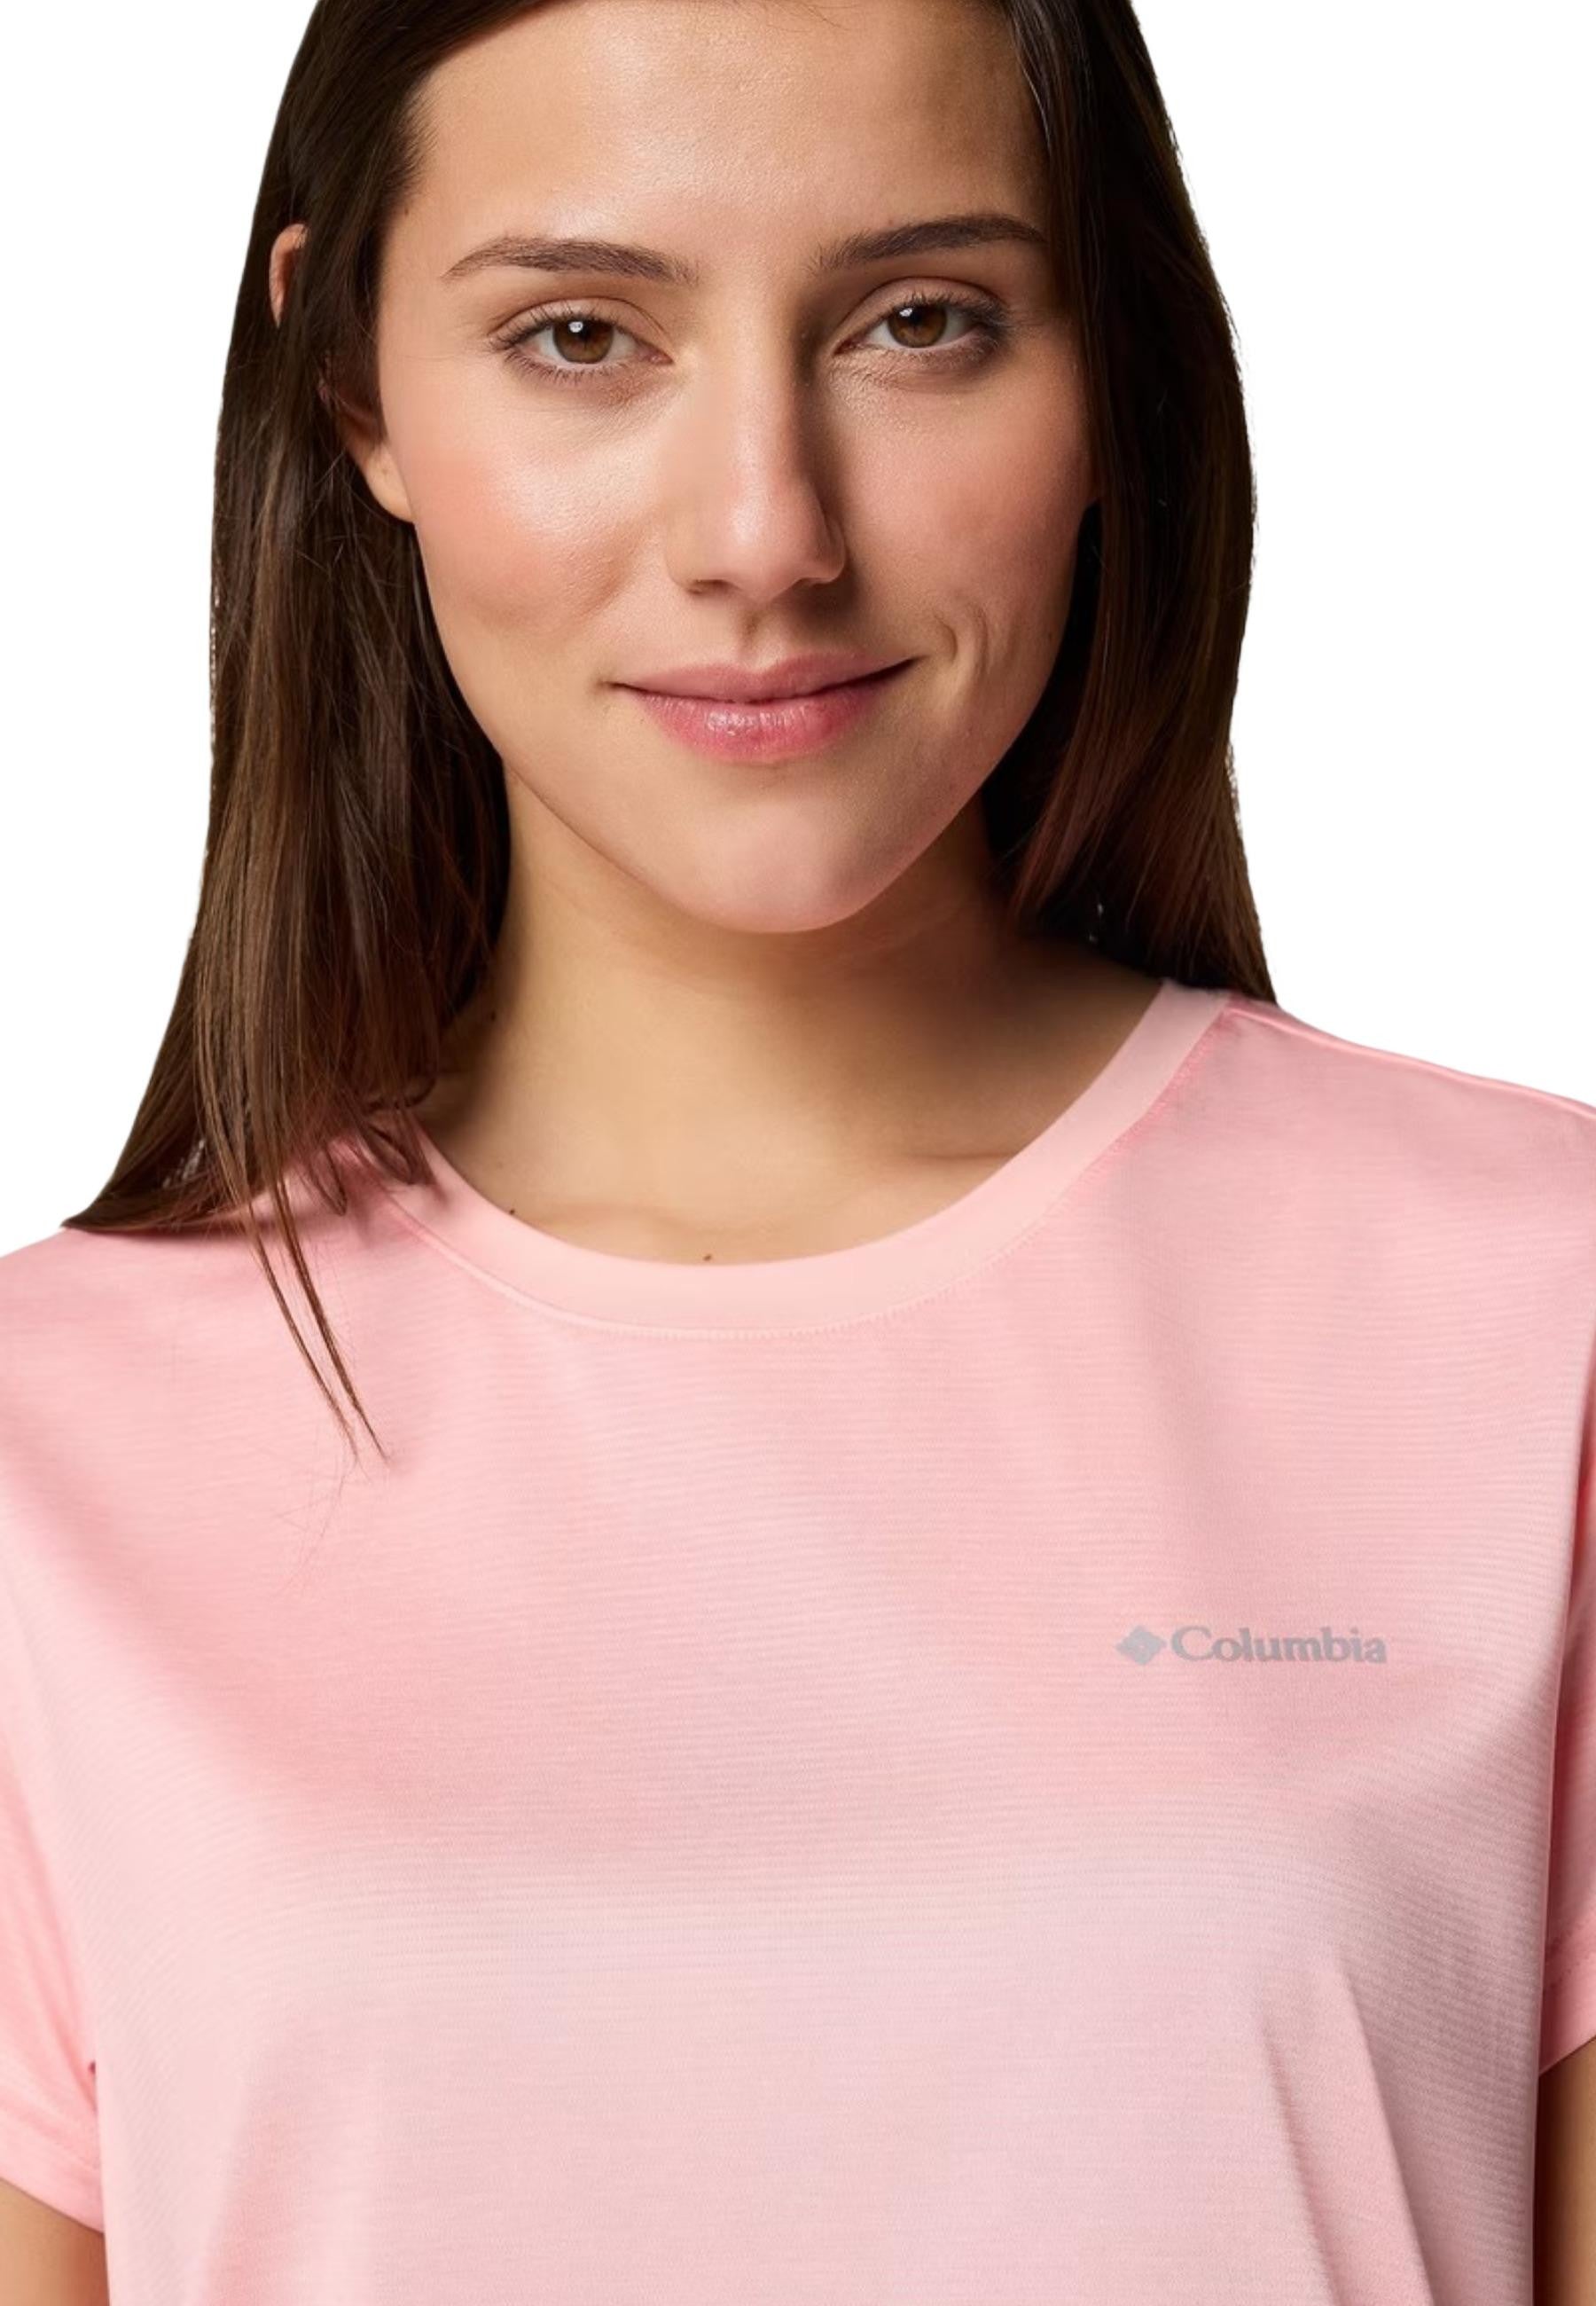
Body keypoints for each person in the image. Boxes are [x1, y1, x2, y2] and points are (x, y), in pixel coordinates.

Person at [0, 0, 1591, 2299]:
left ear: (1110, 372)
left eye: (921, 321)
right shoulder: (45, 1460)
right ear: (353, 387)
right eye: (580, 335)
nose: (767, 533)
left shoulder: (1539, 1316)